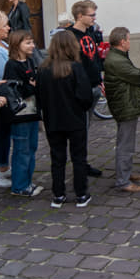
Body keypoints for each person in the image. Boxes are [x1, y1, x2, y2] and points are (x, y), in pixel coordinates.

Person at [37, 31, 94, 208]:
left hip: (53, 120)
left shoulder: (43, 69)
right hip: (75, 120)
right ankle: (81, 194)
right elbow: (85, 96)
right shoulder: (75, 68)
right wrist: (80, 108)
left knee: (57, 158)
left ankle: (58, 194)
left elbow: (40, 96)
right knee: (78, 157)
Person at [103, 27, 140, 194]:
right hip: (124, 105)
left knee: (127, 142)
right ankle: (122, 180)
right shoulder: (116, 60)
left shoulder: (118, 57)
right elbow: (138, 75)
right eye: (129, 39)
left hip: (126, 103)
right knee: (125, 144)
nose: (130, 42)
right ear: (122, 42)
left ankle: (126, 173)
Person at [67, 0, 105, 175]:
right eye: (91, 15)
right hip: (80, 90)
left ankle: (83, 162)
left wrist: (99, 78)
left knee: (86, 128)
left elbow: (94, 59)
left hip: (94, 86)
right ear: (80, 16)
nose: (94, 18)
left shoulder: (90, 32)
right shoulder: (69, 36)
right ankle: (79, 165)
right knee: (80, 130)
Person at [3, 30, 42, 196]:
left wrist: (33, 85)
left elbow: (35, 82)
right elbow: (14, 91)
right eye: (28, 43)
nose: (32, 45)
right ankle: (19, 186)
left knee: (31, 148)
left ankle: (27, 181)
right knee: (22, 149)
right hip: (20, 115)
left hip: (32, 112)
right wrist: (31, 86)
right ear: (16, 44)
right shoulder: (12, 65)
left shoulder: (30, 60)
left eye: (32, 42)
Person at [0, 11, 12, 188]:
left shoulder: (3, 44)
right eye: (5, 25)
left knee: (4, 132)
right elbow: (3, 71)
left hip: (5, 95)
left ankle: (3, 165)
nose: (8, 27)